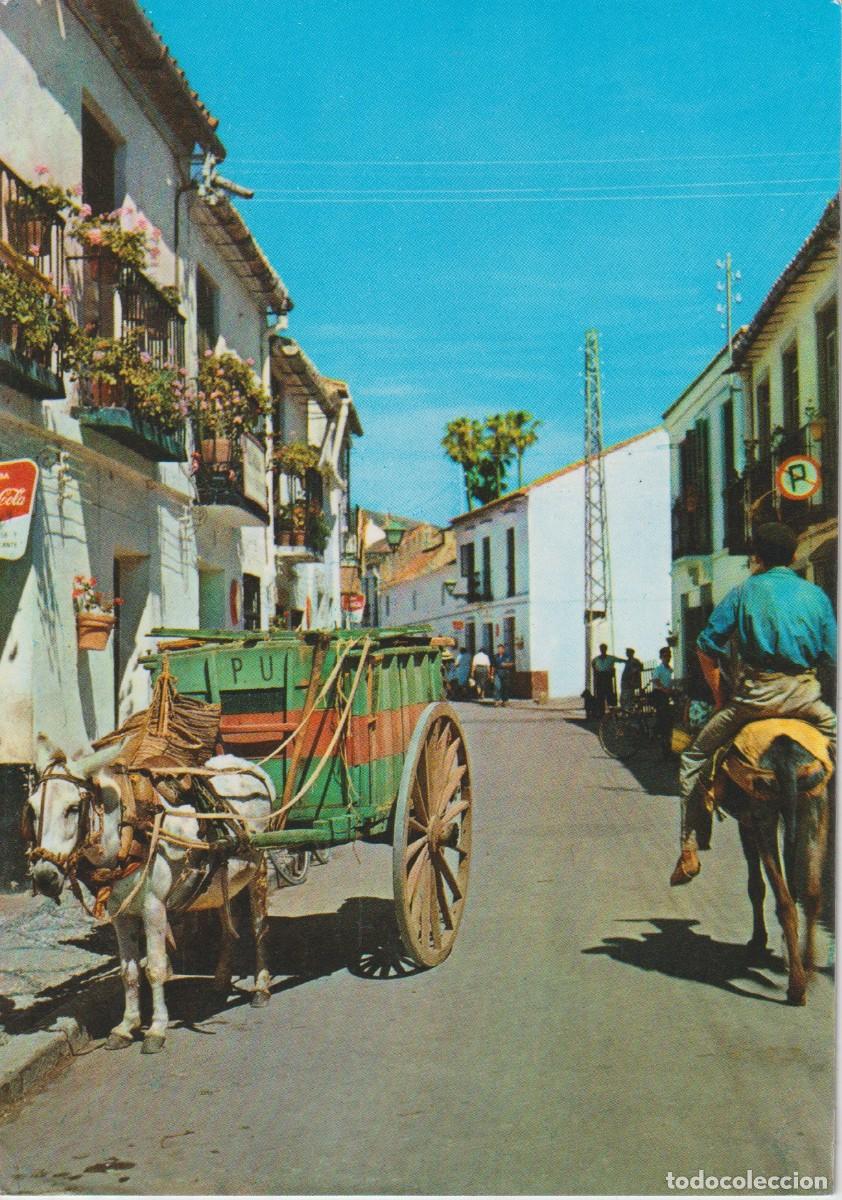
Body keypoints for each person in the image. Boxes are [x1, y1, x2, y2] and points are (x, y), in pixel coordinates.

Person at [671, 522, 837, 886]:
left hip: (753, 702)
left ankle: (689, 847)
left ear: (756, 557)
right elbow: (831, 656)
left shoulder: (742, 592)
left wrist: (720, 698)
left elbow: (705, 648)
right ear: (795, 555)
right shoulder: (816, 596)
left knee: (693, 758)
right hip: (806, 701)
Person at [650, 646, 675, 759]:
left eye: (669, 655)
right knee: (663, 720)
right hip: (659, 695)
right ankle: (657, 738)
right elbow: (655, 681)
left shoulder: (670, 669)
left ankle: (665, 744)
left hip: (667, 695)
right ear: (661, 657)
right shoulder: (658, 669)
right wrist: (664, 689)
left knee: (668, 720)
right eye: (665, 656)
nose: (667, 658)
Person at [591, 644, 624, 716]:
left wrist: (628, 660)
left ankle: (612, 713)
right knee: (600, 696)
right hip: (600, 677)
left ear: (606, 649)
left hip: (607, 676)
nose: (602, 650)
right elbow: (592, 663)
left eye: (604, 648)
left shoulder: (610, 658)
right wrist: (595, 670)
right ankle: (601, 713)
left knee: (609, 695)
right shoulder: (596, 659)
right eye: (601, 648)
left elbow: (619, 660)